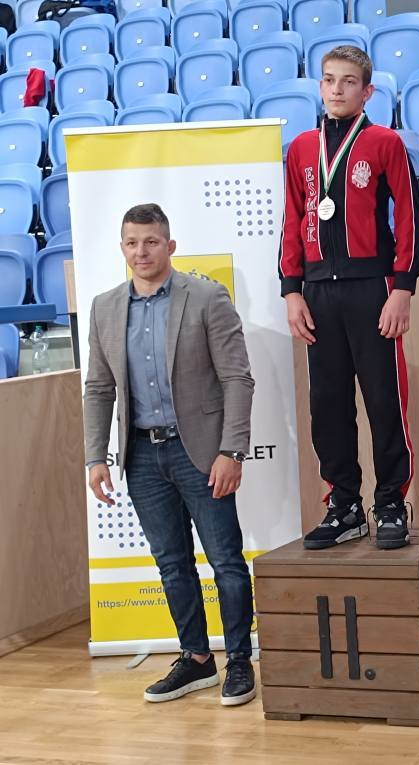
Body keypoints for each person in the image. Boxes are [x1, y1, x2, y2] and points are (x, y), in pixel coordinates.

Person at [84, 203, 257, 705]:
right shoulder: (104, 307)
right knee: (172, 565)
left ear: (170, 246)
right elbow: (99, 388)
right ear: (122, 248)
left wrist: (232, 450)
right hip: (140, 456)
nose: (141, 251)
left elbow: (237, 378)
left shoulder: (206, 297)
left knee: (226, 561)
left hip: (200, 452)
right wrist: (96, 457)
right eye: (132, 242)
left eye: (151, 241)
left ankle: (239, 661)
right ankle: (197, 659)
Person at [280, 46, 419, 550]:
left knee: (384, 401)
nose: (337, 89)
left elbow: (410, 217)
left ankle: (390, 503)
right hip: (318, 292)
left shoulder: (386, 143)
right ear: (319, 87)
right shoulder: (301, 148)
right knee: (328, 404)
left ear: (367, 91)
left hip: (372, 289)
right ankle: (344, 505)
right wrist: (292, 291)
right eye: (329, 80)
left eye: (347, 81)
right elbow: (292, 221)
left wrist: (402, 287)